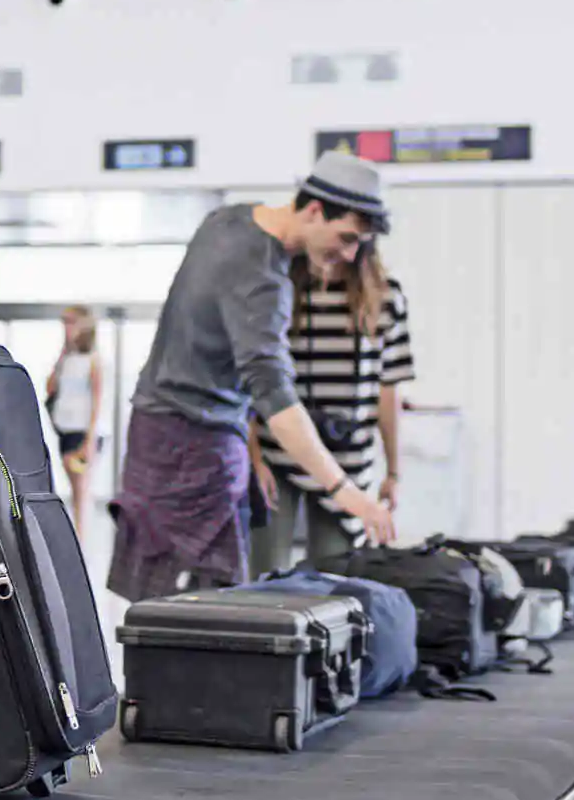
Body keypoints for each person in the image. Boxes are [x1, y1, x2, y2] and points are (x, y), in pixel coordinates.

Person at [109, 152, 398, 601]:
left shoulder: (225, 220)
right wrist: (347, 493)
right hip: (195, 445)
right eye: (346, 238)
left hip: (151, 429)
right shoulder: (265, 280)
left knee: (158, 600)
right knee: (208, 610)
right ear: (315, 209)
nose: (349, 254)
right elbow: (275, 397)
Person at [249, 244, 415, 574]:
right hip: (278, 453)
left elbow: (388, 392)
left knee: (333, 573)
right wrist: (254, 459)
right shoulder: (278, 291)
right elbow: (253, 381)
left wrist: (393, 472)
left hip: (348, 457)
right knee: (267, 574)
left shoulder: (386, 297)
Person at [44, 306, 104, 543]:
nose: (67, 327)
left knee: (81, 490)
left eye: (71, 322)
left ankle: (80, 541)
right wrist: (61, 355)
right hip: (65, 431)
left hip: (83, 432)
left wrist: (90, 439)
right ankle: (77, 536)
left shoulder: (93, 360)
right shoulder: (67, 359)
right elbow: (50, 388)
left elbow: (98, 401)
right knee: (73, 487)